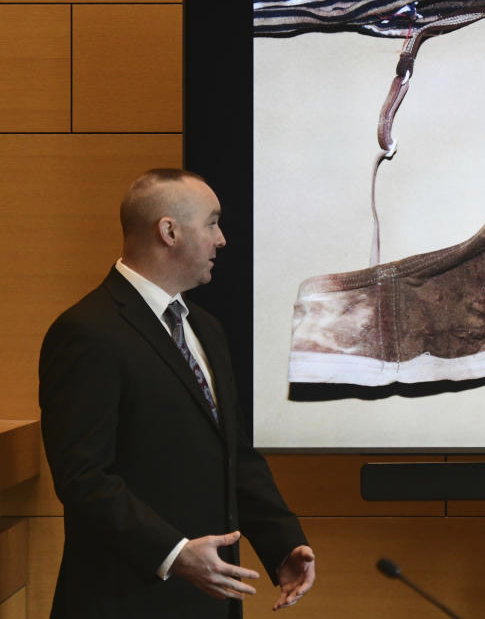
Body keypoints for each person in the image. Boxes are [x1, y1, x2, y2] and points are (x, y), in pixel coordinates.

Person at [39, 168, 315, 618]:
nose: (222, 239)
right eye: (212, 223)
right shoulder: (86, 332)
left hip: (209, 600)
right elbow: (83, 477)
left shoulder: (206, 328)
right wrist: (174, 552)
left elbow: (232, 456)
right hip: (126, 601)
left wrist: (282, 545)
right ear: (168, 231)